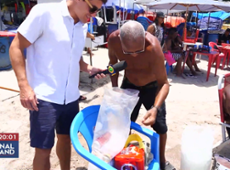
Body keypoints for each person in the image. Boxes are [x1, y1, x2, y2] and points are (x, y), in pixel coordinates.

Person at [9, 0, 107, 170]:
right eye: (92, 9)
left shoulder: (82, 25)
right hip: (44, 97)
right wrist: (24, 86)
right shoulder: (44, 13)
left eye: (97, 11)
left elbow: (74, 57)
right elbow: (16, 47)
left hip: (71, 97)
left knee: (66, 139)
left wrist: (89, 68)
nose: (93, 15)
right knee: (43, 149)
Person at [108, 20, 175, 170]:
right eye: (128, 52)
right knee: (123, 125)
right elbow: (113, 66)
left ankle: (162, 161)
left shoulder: (153, 47)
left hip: (152, 88)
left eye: (139, 51)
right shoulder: (113, 40)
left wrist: (155, 108)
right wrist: (115, 90)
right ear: (120, 41)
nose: (135, 56)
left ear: (144, 40)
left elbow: (164, 83)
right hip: (129, 84)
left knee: (161, 127)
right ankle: (124, 158)